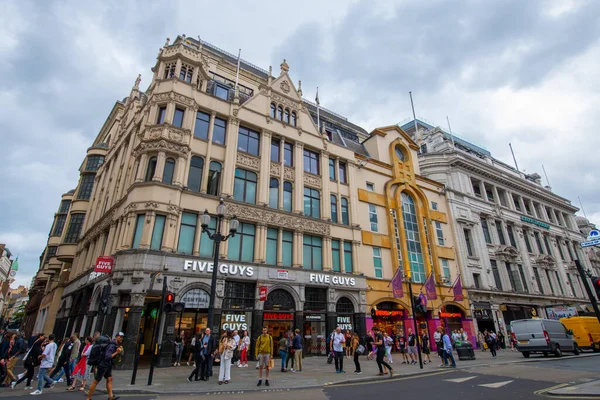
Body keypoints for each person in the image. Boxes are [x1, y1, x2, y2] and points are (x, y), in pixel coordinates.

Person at [85, 332, 124, 400]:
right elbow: (108, 356)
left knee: (109, 379)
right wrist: (116, 352)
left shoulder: (116, 345)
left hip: (108, 364)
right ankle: (88, 398)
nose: (121, 338)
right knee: (96, 381)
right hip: (103, 365)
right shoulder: (112, 345)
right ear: (116, 337)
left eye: (122, 337)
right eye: (120, 337)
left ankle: (110, 396)